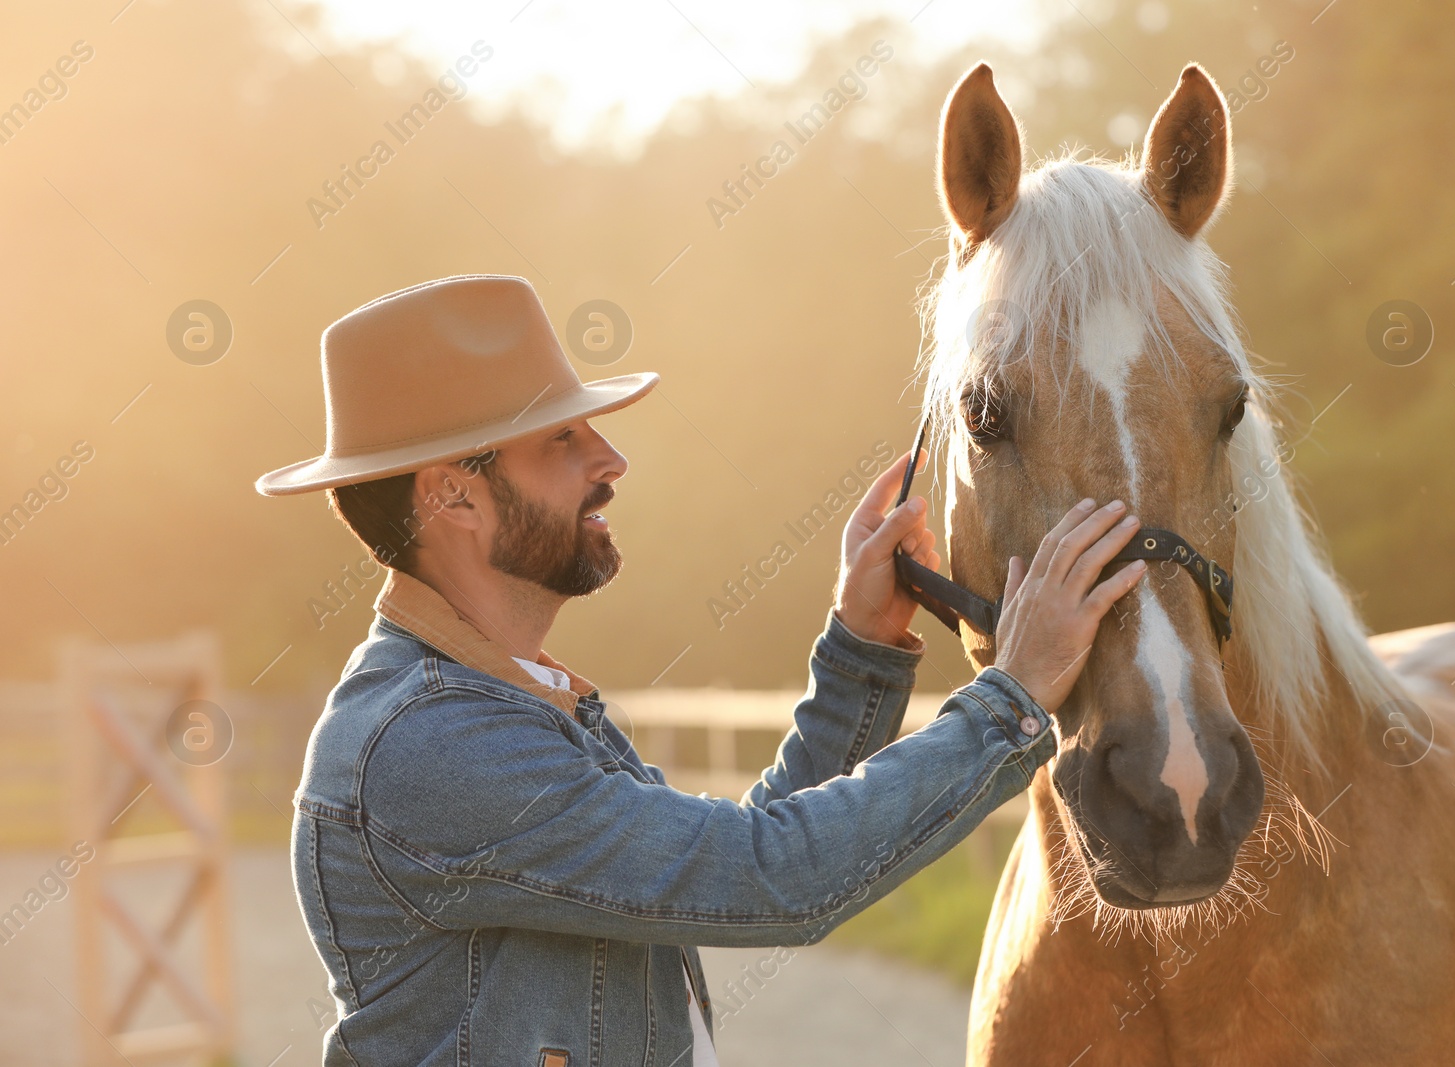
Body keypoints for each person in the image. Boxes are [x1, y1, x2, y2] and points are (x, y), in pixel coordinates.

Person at [255, 274, 1148, 1067]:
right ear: (451, 492)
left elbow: (732, 862)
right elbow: (771, 875)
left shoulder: (503, 696)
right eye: (561, 441)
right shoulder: (430, 741)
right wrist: (1014, 698)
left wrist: (862, 646)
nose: (611, 462)